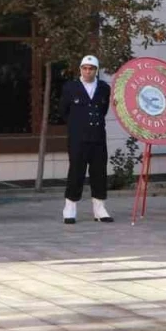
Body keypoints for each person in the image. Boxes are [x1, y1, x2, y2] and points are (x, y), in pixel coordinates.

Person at [60, 54, 113, 225]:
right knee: (76, 171)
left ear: (96, 71)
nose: (88, 72)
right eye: (85, 68)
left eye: (91, 69)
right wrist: (78, 125)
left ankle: (99, 208)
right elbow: (64, 111)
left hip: (97, 136)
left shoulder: (104, 88)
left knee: (99, 171)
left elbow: (103, 110)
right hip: (78, 137)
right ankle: (70, 207)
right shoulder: (71, 87)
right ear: (80, 69)